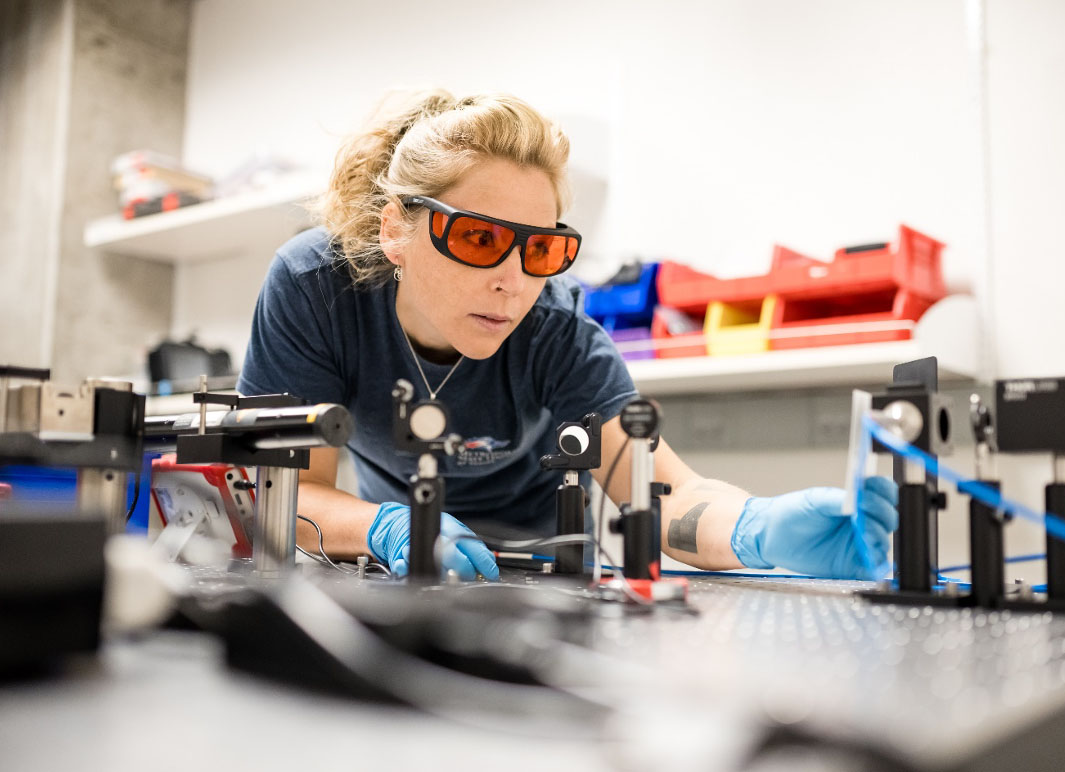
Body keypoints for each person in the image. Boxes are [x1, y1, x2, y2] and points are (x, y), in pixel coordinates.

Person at [238, 89, 897, 582]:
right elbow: (284, 494)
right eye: (478, 238)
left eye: (542, 251)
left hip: (541, 570)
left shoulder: (554, 330)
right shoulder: (316, 288)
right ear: (395, 231)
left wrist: (759, 529)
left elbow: (662, 496)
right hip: (399, 561)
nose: (512, 281)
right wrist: (391, 527)